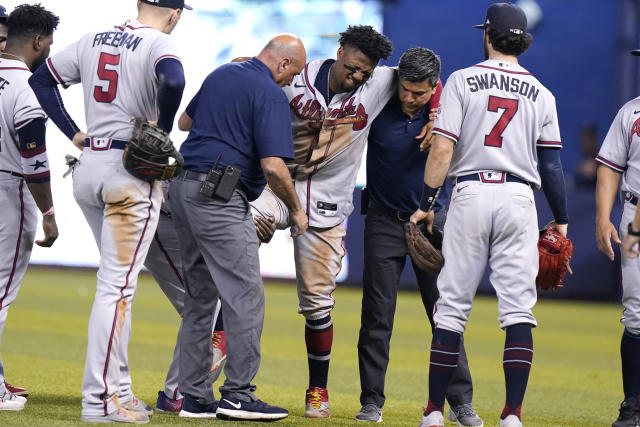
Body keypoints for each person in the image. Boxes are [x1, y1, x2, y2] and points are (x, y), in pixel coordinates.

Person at [29, 0, 188, 423]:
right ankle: (98, 401)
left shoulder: (95, 38)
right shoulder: (157, 43)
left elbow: (42, 82)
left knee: (115, 288)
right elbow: (173, 79)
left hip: (90, 168)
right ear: (173, 14)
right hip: (129, 173)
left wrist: (73, 133)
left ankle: (119, 390)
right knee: (116, 290)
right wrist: (163, 126)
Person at [410, 4, 569, 427]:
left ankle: (432, 413)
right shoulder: (543, 93)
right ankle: (512, 415)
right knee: (518, 309)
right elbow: (551, 166)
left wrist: (426, 205)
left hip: (472, 193)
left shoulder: (463, 80)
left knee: (452, 307)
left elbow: (442, 149)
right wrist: (562, 219)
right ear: (523, 40)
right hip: (519, 198)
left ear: (487, 36)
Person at [248, 25, 395, 418]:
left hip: (328, 208)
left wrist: (433, 111)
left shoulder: (381, 82)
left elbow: (424, 77)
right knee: (239, 236)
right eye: (354, 66)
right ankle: (220, 337)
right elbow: (251, 82)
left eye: (366, 71)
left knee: (316, 304)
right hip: (279, 189)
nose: (358, 76)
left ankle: (317, 390)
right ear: (340, 50)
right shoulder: (296, 77)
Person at [168, 34, 307, 421]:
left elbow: (184, 122)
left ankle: (193, 396)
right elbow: (274, 166)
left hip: (181, 188)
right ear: (281, 65)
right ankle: (238, 395)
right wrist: (296, 210)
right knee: (245, 296)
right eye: (291, 74)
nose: (288, 83)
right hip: (219, 195)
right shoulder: (270, 93)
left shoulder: (221, 73)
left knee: (200, 298)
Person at [355, 47, 481, 426]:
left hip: (433, 224)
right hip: (382, 220)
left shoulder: (447, 110)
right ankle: (372, 402)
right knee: (376, 317)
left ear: (434, 88)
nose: (410, 97)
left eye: (420, 92)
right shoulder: (379, 102)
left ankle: (461, 403)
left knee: (445, 315)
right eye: (406, 89)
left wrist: (438, 112)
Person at [0, 3, 59, 411]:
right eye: (49, 43)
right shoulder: (26, 88)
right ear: (37, 41)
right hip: (10, 192)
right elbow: (34, 161)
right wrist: (50, 215)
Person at [595, 48, 640, 427]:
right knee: (637, 314)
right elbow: (610, 166)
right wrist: (602, 217)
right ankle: (633, 406)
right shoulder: (631, 112)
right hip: (633, 213)